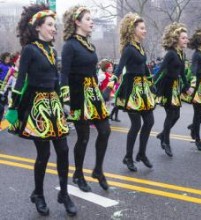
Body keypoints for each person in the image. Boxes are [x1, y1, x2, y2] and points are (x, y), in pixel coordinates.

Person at [6, 4, 76, 216]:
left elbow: (55, 81)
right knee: (44, 154)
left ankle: (64, 193)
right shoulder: (29, 50)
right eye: (50, 25)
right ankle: (39, 194)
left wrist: (63, 106)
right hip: (37, 106)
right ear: (38, 27)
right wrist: (14, 109)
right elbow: (20, 81)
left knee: (63, 150)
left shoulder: (53, 51)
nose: (54, 29)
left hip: (53, 104)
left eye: (55, 25)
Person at [61, 6, 111, 192]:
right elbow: (64, 74)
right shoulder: (69, 45)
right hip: (78, 95)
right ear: (77, 22)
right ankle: (78, 174)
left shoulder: (90, 45)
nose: (92, 22)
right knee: (83, 137)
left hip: (93, 93)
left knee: (105, 131)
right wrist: (66, 98)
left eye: (92, 19)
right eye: (88, 19)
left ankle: (98, 170)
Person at [114, 12, 155, 171]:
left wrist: (151, 84)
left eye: (145, 28)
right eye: (142, 28)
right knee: (136, 124)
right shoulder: (129, 49)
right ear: (133, 30)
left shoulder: (140, 47)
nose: (145, 31)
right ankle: (128, 157)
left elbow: (144, 67)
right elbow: (119, 67)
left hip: (143, 90)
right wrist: (112, 81)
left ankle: (142, 154)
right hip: (131, 90)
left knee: (150, 122)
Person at [155, 22, 191, 157]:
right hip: (167, 86)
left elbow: (181, 73)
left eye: (186, 38)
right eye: (183, 38)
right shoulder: (170, 54)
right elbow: (162, 69)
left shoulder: (181, 54)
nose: (186, 40)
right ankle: (166, 142)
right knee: (171, 115)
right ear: (176, 39)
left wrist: (186, 87)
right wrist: (152, 83)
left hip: (176, 87)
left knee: (177, 115)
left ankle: (162, 135)